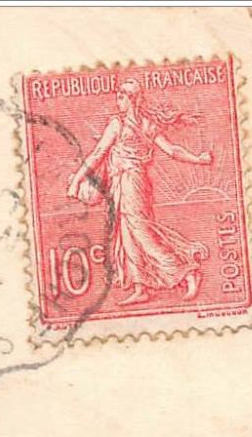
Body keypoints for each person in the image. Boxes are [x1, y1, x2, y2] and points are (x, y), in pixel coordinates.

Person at [67, 78, 213, 306]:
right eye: (118, 96)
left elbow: (98, 154)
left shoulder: (124, 124)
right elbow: (172, 150)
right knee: (126, 235)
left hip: (132, 183)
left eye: (121, 96)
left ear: (132, 99)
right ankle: (140, 286)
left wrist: (76, 180)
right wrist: (198, 159)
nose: (118, 101)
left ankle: (186, 272)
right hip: (124, 183)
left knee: (141, 232)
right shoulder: (139, 124)